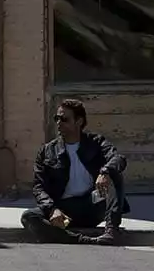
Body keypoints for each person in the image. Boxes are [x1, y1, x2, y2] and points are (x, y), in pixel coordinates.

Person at [20, 98, 130, 245]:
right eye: (57, 118)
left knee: (115, 174)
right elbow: (38, 187)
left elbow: (118, 158)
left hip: (93, 204)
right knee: (29, 216)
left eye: (64, 119)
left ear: (79, 121)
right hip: (65, 210)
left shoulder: (96, 142)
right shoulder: (48, 151)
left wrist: (105, 172)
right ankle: (80, 240)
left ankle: (112, 232)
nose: (59, 123)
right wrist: (52, 209)